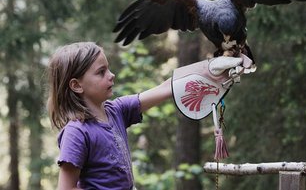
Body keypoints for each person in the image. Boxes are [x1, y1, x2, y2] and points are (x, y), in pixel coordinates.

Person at [47, 41, 250, 190]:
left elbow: (167, 87)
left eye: (108, 69)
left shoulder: (116, 110)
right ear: (76, 85)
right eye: (101, 72)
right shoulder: (77, 132)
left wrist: (212, 69)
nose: (111, 75)